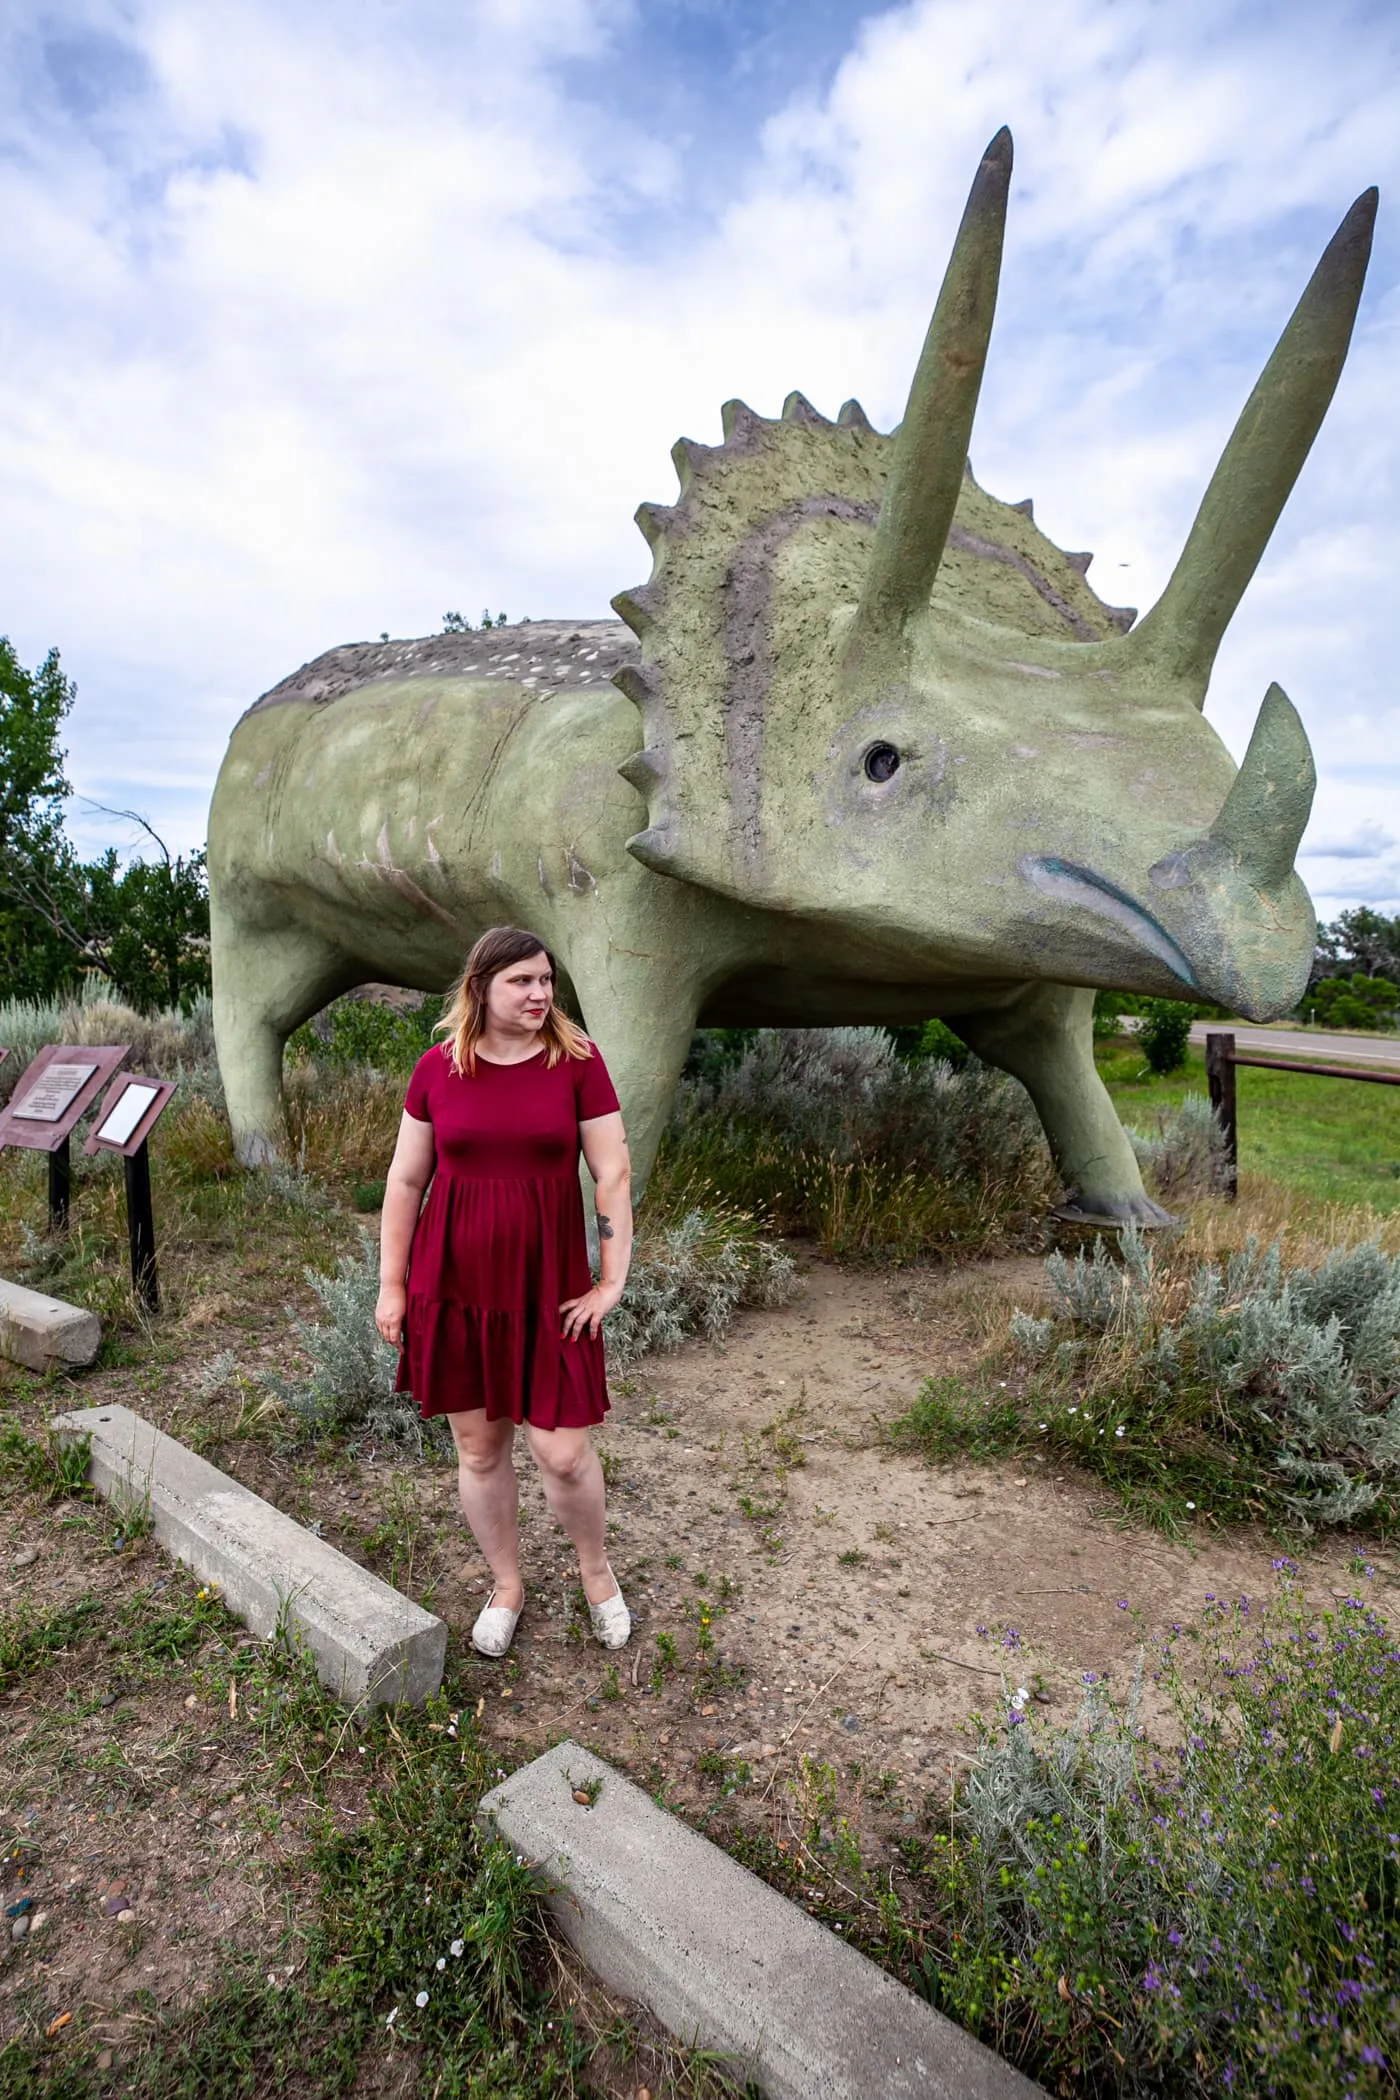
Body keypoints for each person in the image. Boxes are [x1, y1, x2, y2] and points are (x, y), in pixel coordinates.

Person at [375, 925, 633, 1658]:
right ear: (480, 987)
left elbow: (611, 1173)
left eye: (546, 980)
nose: (540, 993)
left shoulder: (577, 1064)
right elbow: (405, 1180)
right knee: (480, 1451)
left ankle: (597, 1575)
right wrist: (392, 1286)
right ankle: (507, 1585)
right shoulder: (436, 1069)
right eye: (522, 981)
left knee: (563, 1455)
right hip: (453, 1286)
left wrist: (610, 1279)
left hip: (548, 1292)